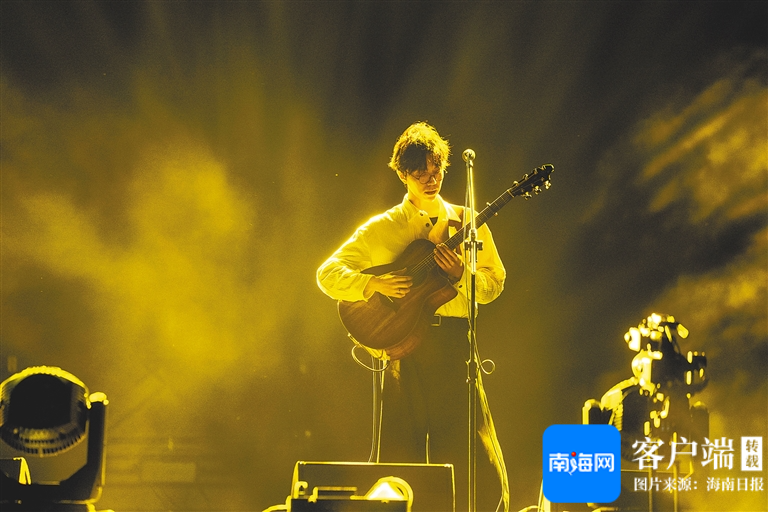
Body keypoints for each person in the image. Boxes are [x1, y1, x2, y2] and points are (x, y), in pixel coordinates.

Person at [316, 122, 506, 507]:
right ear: (403, 174)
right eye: (421, 173)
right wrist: (372, 284)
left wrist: (463, 275)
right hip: (402, 347)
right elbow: (327, 273)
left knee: (471, 448)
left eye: (437, 171)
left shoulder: (467, 222)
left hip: (454, 345)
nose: (431, 180)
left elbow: (494, 284)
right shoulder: (381, 228)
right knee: (401, 452)